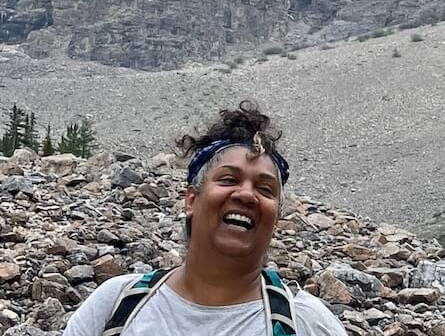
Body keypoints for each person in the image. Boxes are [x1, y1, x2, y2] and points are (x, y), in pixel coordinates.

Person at [63, 100, 346, 336]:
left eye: (265, 189)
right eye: (228, 179)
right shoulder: (116, 303)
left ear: (276, 217)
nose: (247, 195)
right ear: (192, 199)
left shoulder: (307, 322)